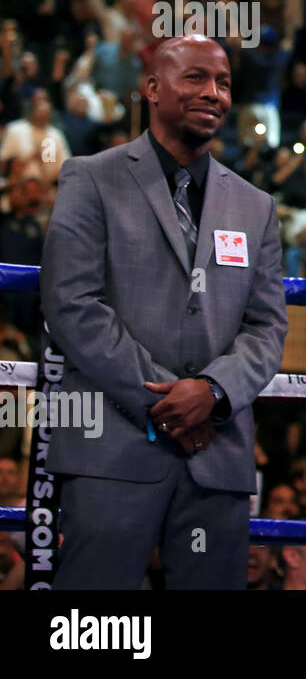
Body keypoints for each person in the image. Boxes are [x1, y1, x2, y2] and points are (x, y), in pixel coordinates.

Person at [41, 34, 288, 589]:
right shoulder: (91, 177)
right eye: (196, 77)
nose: (214, 93)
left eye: (223, 82)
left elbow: (268, 326)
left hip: (216, 455)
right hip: (114, 444)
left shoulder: (255, 205)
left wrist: (214, 392)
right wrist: (171, 401)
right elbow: (72, 303)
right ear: (152, 88)